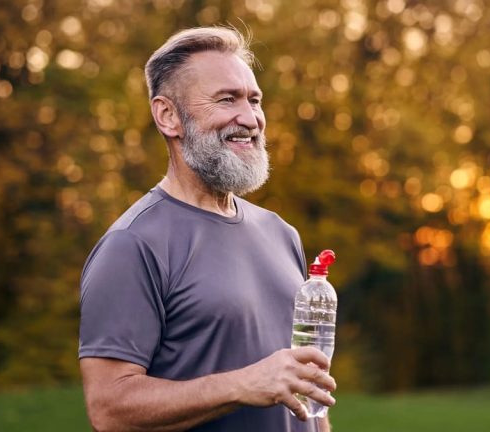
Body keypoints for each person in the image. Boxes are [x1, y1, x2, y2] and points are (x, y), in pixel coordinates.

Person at [78, 27, 336, 432]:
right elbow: (109, 408)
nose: (250, 118)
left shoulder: (281, 233)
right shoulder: (132, 244)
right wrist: (241, 385)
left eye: (254, 100)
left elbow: (304, 387)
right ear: (168, 116)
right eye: (226, 99)